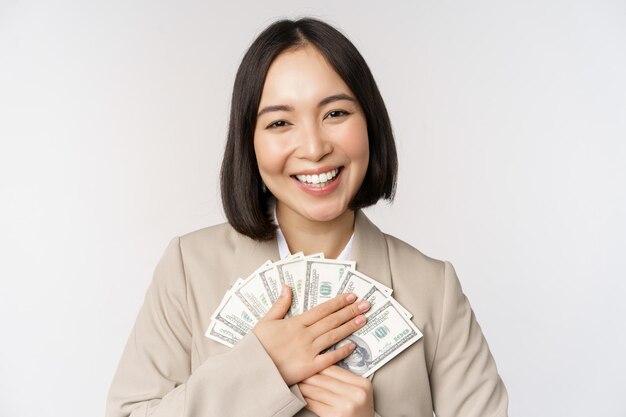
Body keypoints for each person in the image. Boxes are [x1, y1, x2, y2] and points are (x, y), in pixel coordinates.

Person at [106, 18, 508, 417]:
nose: (314, 148)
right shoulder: (188, 268)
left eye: (335, 114)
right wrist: (263, 369)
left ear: (369, 121)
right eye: (280, 122)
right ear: (250, 142)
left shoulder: (433, 290)